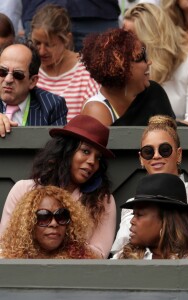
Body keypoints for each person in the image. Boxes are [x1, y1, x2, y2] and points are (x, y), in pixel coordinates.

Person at [0, 114, 116, 259]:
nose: (92, 161)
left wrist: (58, 237)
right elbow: (6, 246)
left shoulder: (102, 201)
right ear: (66, 151)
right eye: (85, 151)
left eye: (98, 157)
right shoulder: (23, 189)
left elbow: (99, 255)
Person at [111, 115, 188, 253]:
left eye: (164, 150)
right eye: (148, 152)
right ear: (141, 158)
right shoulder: (131, 206)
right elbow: (121, 255)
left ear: (178, 154)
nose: (156, 156)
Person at [123, 3, 188, 127]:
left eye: (130, 35)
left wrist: (159, 129)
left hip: (179, 140)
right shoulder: (123, 67)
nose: (123, 42)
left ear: (150, 37)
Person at [113, 173, 188, 259]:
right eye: (133, 215)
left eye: (140, 215)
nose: (132, 221)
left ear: (166, 220)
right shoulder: (126, 256)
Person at [80, 28, 176, 126]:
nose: (149, 62)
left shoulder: (153, 93)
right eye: (141, 57)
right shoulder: (97, 110)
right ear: (121, 67)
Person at [30, 4, 100, 121]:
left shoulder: (87, 71)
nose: (41, 51)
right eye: (37, 43)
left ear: (66, 40)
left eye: (49, 44)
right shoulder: (28, 68)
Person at [0, 186, 97, 259]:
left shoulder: (83, 260)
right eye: (44, 217)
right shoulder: (7, 260)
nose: (54, 223)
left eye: (61, 216)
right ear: (28, 223)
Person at [0, 40, 67, 138]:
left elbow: (57, 150)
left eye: (18, 74)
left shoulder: (52, 105)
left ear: (32, 81)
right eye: (2, 71)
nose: (8, 79)